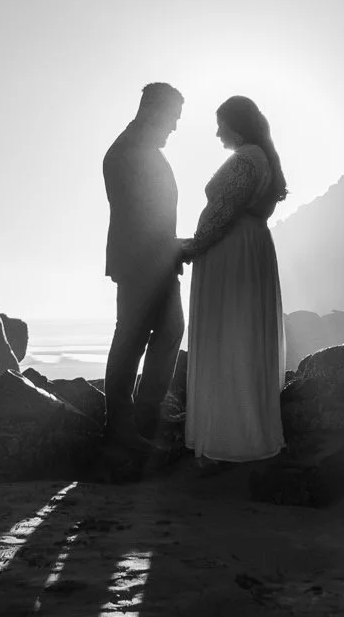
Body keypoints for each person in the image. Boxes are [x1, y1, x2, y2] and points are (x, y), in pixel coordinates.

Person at [179, 95, 288, 464]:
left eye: (220, 124)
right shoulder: (264, 157)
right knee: (244, 332)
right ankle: (243, 428)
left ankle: (230, 435)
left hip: (232, 249)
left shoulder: (246, 160)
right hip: (251, 246)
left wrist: (191, 247)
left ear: (236, 124)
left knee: (227, 333)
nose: (216, 132)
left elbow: (223, 211)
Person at [100, 82, 187, 452]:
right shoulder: (128, 152)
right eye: (172, 118)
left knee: (168, 329)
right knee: (132, 337)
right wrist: (176, 247)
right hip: (141, 262)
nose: (175, 127)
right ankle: (120, 425)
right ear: (153, 110)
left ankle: (146, 413)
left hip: (157, 259)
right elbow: (137, 216)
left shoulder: (141, 149)